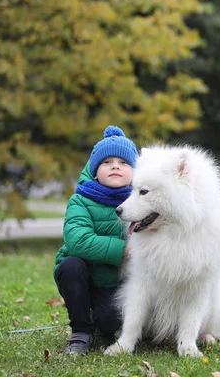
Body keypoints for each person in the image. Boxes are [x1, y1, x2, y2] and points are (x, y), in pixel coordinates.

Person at [53, 125, 138, 355]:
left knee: (108, 322)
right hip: (86, 279)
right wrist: (123, 249)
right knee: (70, 265)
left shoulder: (142, 202)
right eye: (107, 162)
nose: (115, 167)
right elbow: (77, 240)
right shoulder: (81, 200)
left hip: (118, 285)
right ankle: (80, 330)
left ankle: (103, 322)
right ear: (94, 171)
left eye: (123, 163)